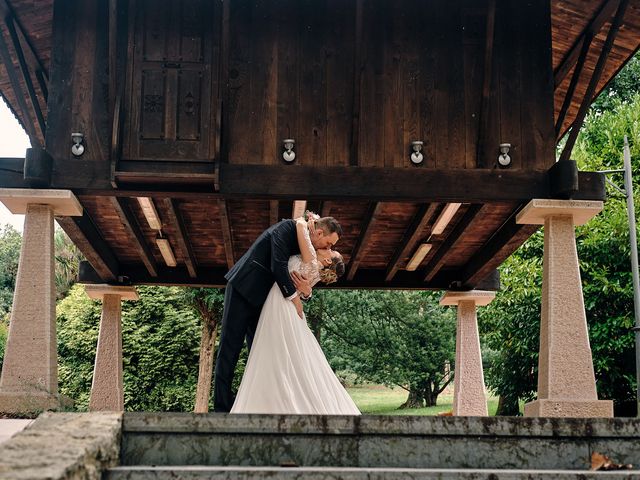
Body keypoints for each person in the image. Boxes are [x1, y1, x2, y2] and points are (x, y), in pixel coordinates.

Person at [230, 215, 360, 415]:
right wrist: (304, 294)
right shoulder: (311, 259)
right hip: (278, 301)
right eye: (330, 245)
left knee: (273, 350)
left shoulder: (311, 260)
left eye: (331, 250)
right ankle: (272, 399)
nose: (328, 248)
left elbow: (301, 236)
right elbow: (290, 269)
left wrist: (301, 221)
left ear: (328, 262)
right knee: (275, 351)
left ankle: (272, 400)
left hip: (281, 303)